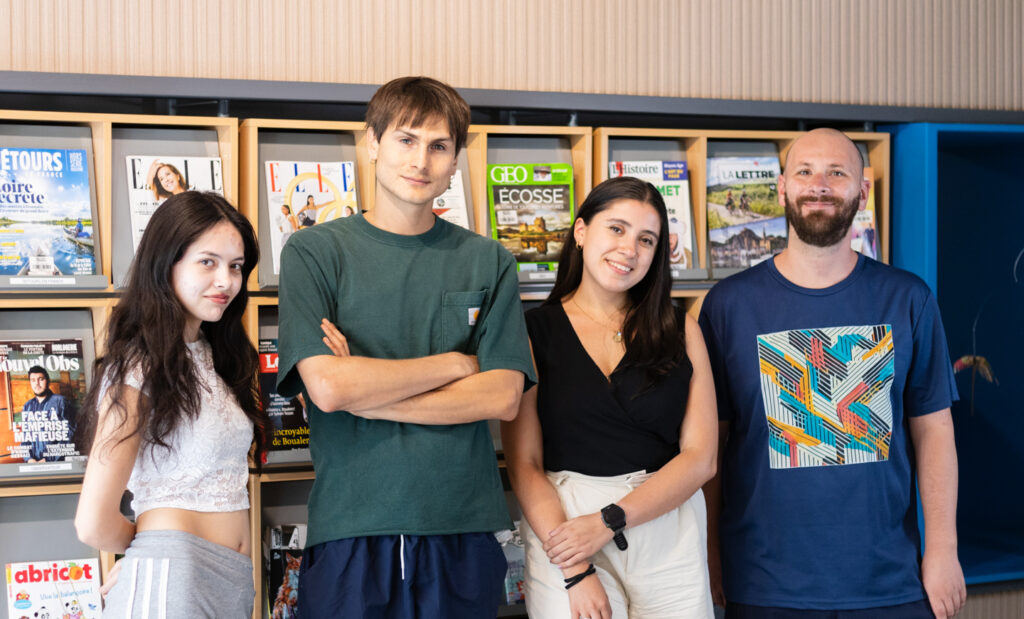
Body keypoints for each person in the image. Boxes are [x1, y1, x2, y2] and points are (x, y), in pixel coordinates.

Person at [276, 76, 535, 617]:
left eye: (439, 146)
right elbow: (329, 388)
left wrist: (367, 397)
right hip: (352, 526)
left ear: (455, 161)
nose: (421, 161)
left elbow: (502, 396)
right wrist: (456, 363)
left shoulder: (488, 261)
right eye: (406, 140)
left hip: (461, 526)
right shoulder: (314, 252)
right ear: (372, 143)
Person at [699, 128, 966, 619]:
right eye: (805, 172)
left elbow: (934, 432)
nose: (819, 185)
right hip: (764, 584)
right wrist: (709, 552)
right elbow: (710, 447)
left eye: (836, 173)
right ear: (783, 187)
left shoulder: (908, 298)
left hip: (890, 581)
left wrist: (943, 551)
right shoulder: (727, 306)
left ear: (862, 191)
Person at [502, 176, 717, 619]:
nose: (629, 249)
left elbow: (701, 458)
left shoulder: (681, 329)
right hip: (565, 526)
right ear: (581, 232)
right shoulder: (533, 332)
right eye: (616, 229)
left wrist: (610, 520)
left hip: (667, 524)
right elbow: (525, 465)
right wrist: (575, 569)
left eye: (646, 239)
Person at [74, 191, 262, 618]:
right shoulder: (138, 366)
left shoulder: (215, 356)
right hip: (173, 577)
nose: (226, 281)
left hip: (230, 581)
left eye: (235, 266)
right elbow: (92, 522)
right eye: (208, 262)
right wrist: (151, 550)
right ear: (166, 264)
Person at [21, 366, 75, 462]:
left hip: (56, 462)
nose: (37, 383)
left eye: (40, 379)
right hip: (33, 464)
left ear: (48, 381)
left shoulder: (61, 402)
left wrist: (48, 459)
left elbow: (69, 434)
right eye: (33, 380)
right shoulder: (27, 406)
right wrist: (29, 459)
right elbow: (25, 438)